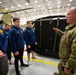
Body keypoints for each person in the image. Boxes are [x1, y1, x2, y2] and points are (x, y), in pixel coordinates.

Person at [53, 7, 76, 75]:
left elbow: (75, 53)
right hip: (64, 59)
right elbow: (66, 37)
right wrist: (59, 32)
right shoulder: (70, 28)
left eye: (68, 14)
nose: (66, 16)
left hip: (68, 62)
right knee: (60, 67)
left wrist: (68, 67)